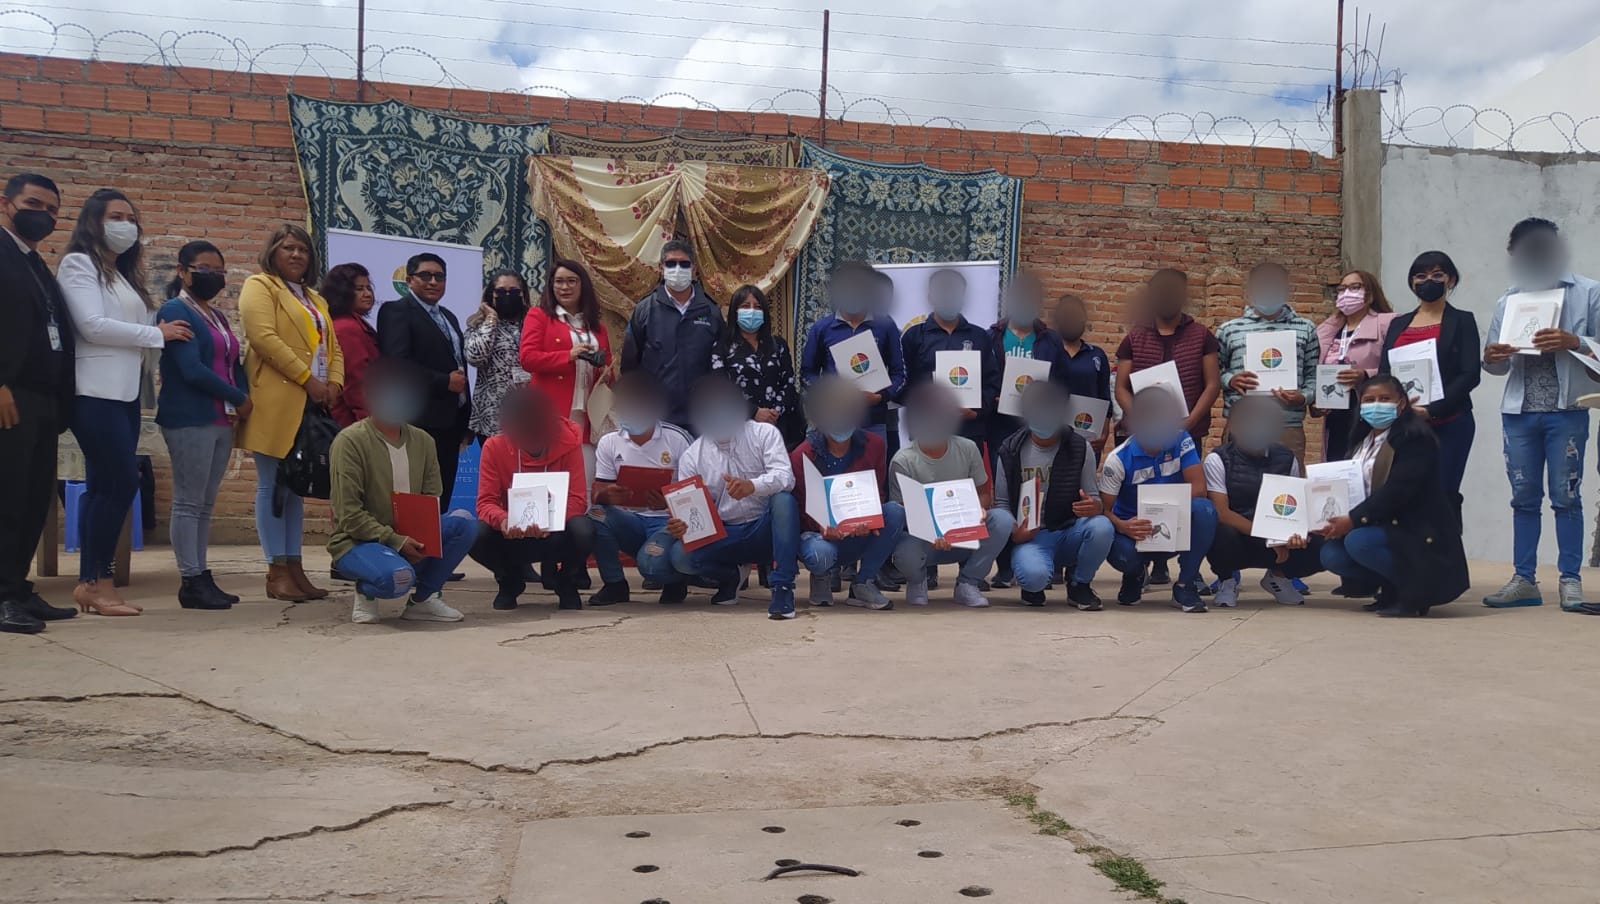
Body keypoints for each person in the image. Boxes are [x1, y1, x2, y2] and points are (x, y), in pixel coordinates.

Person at [58, 189, 191, 617]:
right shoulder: (79, 264)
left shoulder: (122, 275)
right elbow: (91, 326)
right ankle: (95, 580)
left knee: (105, 485)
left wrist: (161, 329)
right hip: (94, 391)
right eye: (116, 216)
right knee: (120, 483)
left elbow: (130, 326)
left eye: (131, 218)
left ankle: (93, 582)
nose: (126, 224)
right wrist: (157, 335)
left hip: (126, 392)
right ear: (93, 221)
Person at [1479, 219, 1600, 611]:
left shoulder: (1588, 292)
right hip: (1519, 412)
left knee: (1567, 498)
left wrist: (1574, 341)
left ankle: (1570, 581)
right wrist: (1493, 357)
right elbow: (1495, 366)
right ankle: (1524, 579)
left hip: (1567, 410)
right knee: (1523, 498)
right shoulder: (1508, 299)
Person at [238, 223, 345, 603]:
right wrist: (307, 379)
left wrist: (333, 383)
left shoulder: (315, 299)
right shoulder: (260, 286)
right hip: (276, 400)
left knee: (296, 489)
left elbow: (334, 348)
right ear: (273, 252)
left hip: (312, 402)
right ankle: (275, 570)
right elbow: (264, 339)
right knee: (272, 485)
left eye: (302, 249)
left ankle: (295, 567)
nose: (296, 255)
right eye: (287, 248)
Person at [637, 374, 800, 619]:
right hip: (725, 533)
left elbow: (786, 477)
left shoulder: (764, 434)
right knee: (682, 557)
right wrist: (682, 525)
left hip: (764, 528)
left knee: (784, 501)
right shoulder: (693, 456)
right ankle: (730, 578)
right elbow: (692, 513)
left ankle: (783, 587)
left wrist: (752, 486)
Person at [327, 358, 475, 624]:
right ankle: (366, 590)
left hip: (408, 537)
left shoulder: (424, 441)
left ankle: (423, 599)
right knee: (398, 579)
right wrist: (396, 540)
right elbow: (348, 515)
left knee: (463, 523)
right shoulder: (350, 442)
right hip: (359, 542)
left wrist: (416, 537)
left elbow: (431, 499)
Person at [1317, 374, 1469, 617]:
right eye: (1369, 400)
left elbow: (1398, 490)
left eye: (1385, 398)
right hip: (1379, 523)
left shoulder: (1414, 438)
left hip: (1414, 529)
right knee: (1331, 554)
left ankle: (1414, 593)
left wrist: (1353, 520)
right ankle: (1387, 588)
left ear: (1401, 403)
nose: (1376, 405)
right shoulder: (1362, 440)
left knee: (1359, 542)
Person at [0, 173, 78, 633]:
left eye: (52, 209)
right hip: (11, 394)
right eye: (34, 204)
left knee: (33, 498)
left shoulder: (33, 261)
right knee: (7, 497)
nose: (44, 215)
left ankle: (17, 587)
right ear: (6, 203)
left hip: (42, 400)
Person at [155, 240, 248, 611]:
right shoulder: (175, 309)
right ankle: (190, 579)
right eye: (203, 269)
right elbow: (191, 369)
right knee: (188, 501)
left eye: (218, 271)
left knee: (205, 502)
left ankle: (202, 574)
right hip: (189, 415)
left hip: (220, 417)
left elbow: (233, 361)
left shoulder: (216, 316)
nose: (212, 277)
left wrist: (240, 394)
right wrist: (239, 397)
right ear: (182, 270)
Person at [887, 382, 1015, 608]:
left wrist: (980, 511)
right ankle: (917, 581)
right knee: (903, 549)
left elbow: (984, 493)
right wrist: (931, 532)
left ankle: (968, 582)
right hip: (925, 541)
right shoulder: (903, 460)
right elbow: (902, 513)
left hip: (965, 533)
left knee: (1002, 520)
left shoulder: (967, 448)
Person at [994, 379, 1114, 609]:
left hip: (1069, 529)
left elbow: (1094, 498)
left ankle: (1079, 584)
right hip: (1033, 535)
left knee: (1101, 527)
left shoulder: (1080, 448)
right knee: (1034, 578)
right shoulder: (1009, 450)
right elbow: (1001, 504)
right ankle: (1032, 585)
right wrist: (1015, 532)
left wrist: (1093, 506)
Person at [472, 385, 593, 610]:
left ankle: (566, 580)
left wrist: (549, 521)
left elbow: (577, 500)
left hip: (554, 533)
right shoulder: (494, 447)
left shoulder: (569, 443)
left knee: (584, 528)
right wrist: (504, 520)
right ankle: (509, 580)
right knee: (476, 534)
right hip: (512, 533)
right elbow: (485, 502)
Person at [1099, 386, 1220, 612]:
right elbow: (1103, 510)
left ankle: (1186, 583)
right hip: (1133, 535)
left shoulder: (1182, 440)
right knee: (1115, 544)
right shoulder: (1118, 459)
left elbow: (1199, 488)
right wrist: (1124, 526)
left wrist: (1164, 510)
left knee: (1205, 510)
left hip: (1172, 528)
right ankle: (1134, 575)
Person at [790, 375, 902, 610]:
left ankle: (863, 583)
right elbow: (801, 511)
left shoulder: (875, 446)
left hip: (858, 531)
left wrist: (868, 520)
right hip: (819, 536)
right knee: (820, 554)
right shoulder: (802, 455)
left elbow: (877, 493)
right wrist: (824, 527)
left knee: (893, 513)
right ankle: (821, 576)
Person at [1379, 251, 1482, 502]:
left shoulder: (1462, 321)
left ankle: (1447, 542)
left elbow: (1470, 374)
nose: (1428, 280)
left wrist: (1433, 410)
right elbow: (1385, 370)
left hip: (1450, 423)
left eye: (1437, 274)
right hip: (1405, 425)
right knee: (1404, 496)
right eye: (1421, 275)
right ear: (1412, 282)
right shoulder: (1398, 323)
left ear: (1451, 280)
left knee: (1443, 497)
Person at [1203, 394, 1322, 607]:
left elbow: (1294, 506)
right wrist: (1268, 536)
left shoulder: (1287, 458)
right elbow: (1222, 512)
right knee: (1215, 525)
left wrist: (1293, 535)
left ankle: (1278, 577)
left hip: (1276, 542)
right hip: (1239, 537)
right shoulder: (1218, 459)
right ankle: (1227, 580)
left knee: (1322, 541)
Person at [586, 371, 694, 606]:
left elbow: (696, 494)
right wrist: (608, 494)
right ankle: (614, 585)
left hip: (667, 522)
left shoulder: (677, 439)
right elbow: (599, 490)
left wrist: (667, 501)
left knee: (652, 567)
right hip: (630, 519)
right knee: (595, 513)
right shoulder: (609, 441)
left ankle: (675, 579)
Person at [377, 252, 471, 509]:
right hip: (419, 420)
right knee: (417, 498)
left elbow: (458, 365)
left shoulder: (449, 316)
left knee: (441, 496)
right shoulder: (396, 311)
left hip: (451, 422)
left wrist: (466, 416)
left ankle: (436, 548)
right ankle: (413, 549)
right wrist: (443, 382)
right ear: (409, 280)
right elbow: (396, 365)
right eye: (425, 275)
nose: (433, 282)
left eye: (439, 276)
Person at [1216, 263, 1319, 463]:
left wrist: (1303, 397)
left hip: (1287, 424)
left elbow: (1314, 374)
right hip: (1241, 423)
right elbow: (1215, 372)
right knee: (1236, 487)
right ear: (1250, 290)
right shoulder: (1228, 329)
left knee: (1286, 490)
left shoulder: (1306, 328)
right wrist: (1230, 380)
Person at [621, 241, 724, 431]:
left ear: (694, 269)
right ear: (661, 268)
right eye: (671, 264)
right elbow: (629, 366)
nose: (677, 269)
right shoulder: (644, 310)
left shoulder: (711, 312)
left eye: (684, 264)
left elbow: (721, 366)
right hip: (657, 416)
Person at [799, 261, 907, 441]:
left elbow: (900, 374)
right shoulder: (822, 328)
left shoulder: (885, 326)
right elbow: (806, 373)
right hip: (832, 420)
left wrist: (881, 397)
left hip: (873, 421)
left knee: (873, 469)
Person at [519, 260, 609, 476]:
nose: (565, 287)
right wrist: (568, 355)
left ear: (582, 285)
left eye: (571, 281)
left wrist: (605, 372)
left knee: (584, 482)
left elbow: (607, 365)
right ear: (551, 286)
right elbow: (527, 358)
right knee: (548, 483)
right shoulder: (538, 316)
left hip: (589, 414)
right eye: (559, 281)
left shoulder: (597, 327)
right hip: (551, 411)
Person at [1115, 269, 1222, 448]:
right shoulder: (1135, 337)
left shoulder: (1201, 335)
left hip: (1187, 435)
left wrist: (1190, 422)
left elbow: (1213, 385)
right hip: (1142, 435)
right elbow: (1120, 388)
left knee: (1186, 477)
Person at [901, 267, 1002, 448]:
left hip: (969, 430)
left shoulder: (980, 336)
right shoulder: (914, 336)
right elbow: (903, 382)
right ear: (931, 297)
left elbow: (992, 381)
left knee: (967, 476)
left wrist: (977, 412)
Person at [1314, 270, 1397, 461]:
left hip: (1372, 408)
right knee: (1337, 465)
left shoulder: (1388, 323)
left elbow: (1397, 365)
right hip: (1335, 411)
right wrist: (1317, 398)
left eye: (1354, 287)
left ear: (1370, 294)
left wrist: (1366, 375)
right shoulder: (1327, 329)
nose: (1346, 294)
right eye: (1342, 289)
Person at [713, 284, 803, 447]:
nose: (752, 311)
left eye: (757, 307)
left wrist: (774, 413)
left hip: (779, 426)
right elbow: (720, 390)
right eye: (746, 306)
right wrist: (754, 412)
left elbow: (788, 383)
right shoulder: (722, 348)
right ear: (735, 311)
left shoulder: (778, 344)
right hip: (739, 428)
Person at [468, 269, 532, 440]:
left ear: (523, 294)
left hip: (530, 413)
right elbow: (474, 357)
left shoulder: (534, 323)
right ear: (491, 295)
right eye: (501, 291)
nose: (508, 295)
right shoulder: (477, 324)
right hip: (492, 417)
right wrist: (491, 319)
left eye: (514, 291)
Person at [1053, 292, 1112, 452]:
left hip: (1087, 434)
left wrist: (1104, 432)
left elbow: (1105, 396)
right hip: (1052, 434)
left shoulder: (1097, 355)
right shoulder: (1048, 352)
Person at [322, 263, 378, 427]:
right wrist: (371, 426)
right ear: (342, 292)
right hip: (353, 423)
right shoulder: (346, 328)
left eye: (369, 288)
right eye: (359, 289)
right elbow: (356, 383)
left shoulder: (354, 323)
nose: (367, 294)